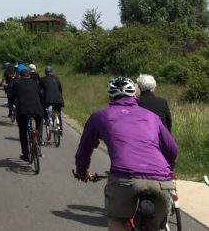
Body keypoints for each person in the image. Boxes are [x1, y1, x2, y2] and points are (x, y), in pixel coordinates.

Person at [74, 77, 178, 231]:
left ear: (110, 97)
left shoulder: (99, 116)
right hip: (161, 181)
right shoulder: (152, 117)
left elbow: (85, 149)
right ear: (135, 96)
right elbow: (172, 149)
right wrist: (168, 171)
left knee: (116, 219)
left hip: (125, 178)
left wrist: (82, 171)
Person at [9, 65, 44, 162]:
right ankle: (38, 137)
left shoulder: (17, 84)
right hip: (37, 109)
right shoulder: (36, 84)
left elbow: (11, 97)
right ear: (29, 76)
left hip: (23, 111)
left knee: (23, 132)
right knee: (39, 123)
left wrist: (11, 107)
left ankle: (26, 154)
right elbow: (41, 96)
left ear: (20, 76)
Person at [39, 66, 64, 132]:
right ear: (52, 72)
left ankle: (47, 120)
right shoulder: (57, 78)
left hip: (48, 100)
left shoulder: (42, 79)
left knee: (43, 108)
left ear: (45, 72)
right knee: (58, 113)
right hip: (59, 100)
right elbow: (60, 90)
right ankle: (60, 129)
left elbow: (39, 89)